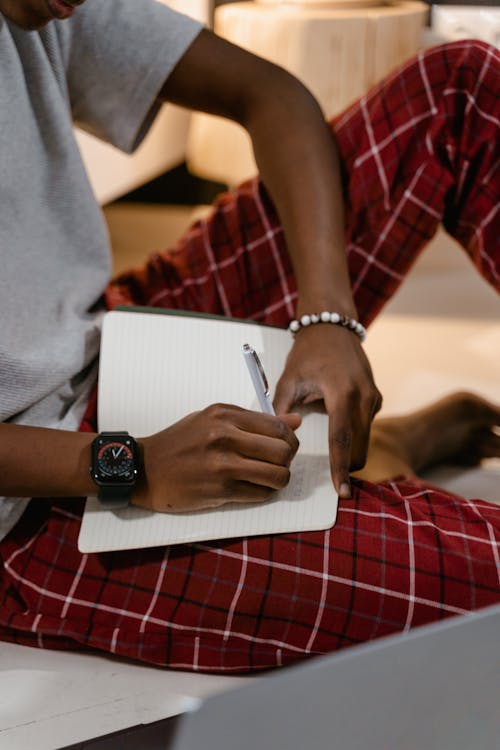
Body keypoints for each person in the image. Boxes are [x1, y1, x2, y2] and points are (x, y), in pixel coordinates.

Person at [0, 0, 498, 672]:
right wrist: (134, 465)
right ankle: (370, 456)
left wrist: (325, 316)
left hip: (111, 330)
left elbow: (271, 95)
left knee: (462, 87)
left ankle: (366, 451)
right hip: (35, 501)